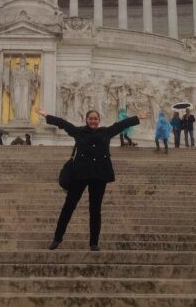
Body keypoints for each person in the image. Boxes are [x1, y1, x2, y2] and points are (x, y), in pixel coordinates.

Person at [38, 107, 149, 251]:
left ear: (99, 120)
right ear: (86, 120)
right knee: (68, 207)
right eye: (91, 119)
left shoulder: (106, 132)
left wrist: (138, 117)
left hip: (99, 175)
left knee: (95, 210)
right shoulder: (78, 132)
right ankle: (57, 238)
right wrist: (47, 115)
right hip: (80, 174)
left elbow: (121, 125)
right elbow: (63, 124)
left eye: (95, 119)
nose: (93, 121)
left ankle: (94, 243)